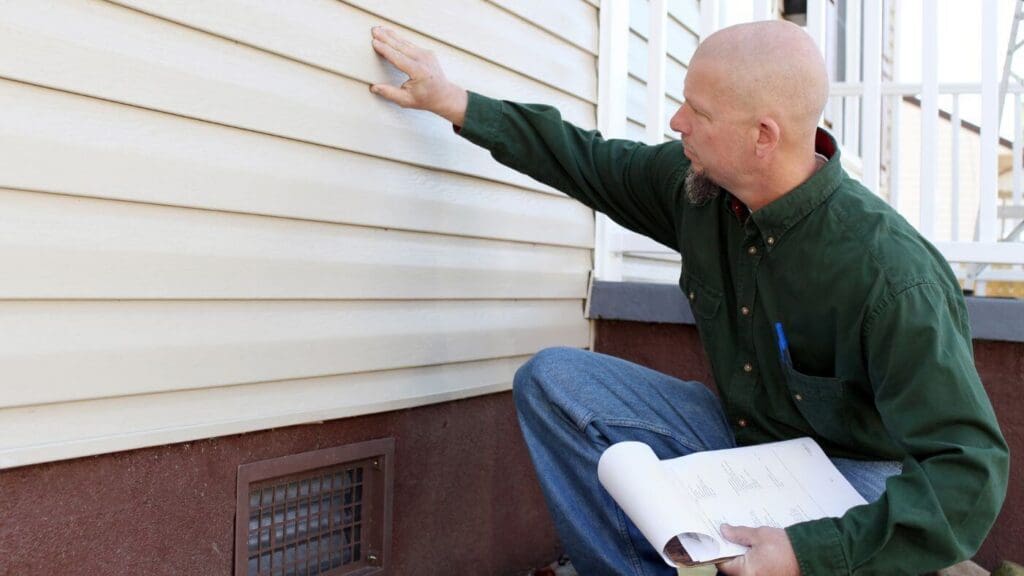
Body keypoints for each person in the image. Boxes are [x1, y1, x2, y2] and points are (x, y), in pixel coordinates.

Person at [369, 20, 1009, 576]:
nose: (676, 123)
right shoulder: (698, 191)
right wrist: (455, 102)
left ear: (763, 135)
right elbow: (587, 160)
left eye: (696, 113)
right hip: (743, 445)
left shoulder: (890, 274)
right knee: (555, 380)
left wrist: (809, 553)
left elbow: (968, 475)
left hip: (854, 477)